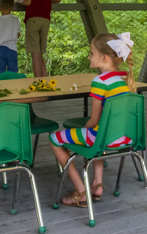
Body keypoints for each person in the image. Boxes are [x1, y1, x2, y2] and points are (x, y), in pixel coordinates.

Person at [49, 32, 136, 207]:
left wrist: (84, 128)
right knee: (99, 135)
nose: (88, 56)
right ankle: (97, 185)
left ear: (104, 58)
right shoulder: (124, 79)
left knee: (55, 139)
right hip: (124, 137)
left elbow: (94, 121)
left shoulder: (100, 81)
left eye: (91, 53)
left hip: (102, 138)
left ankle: (81, 191)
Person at [16, 0, 61, 77]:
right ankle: (44, 80)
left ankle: (37, 81)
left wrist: (17, 1)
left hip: (33, 18)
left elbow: (27, 1)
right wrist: (45, 1)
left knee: (34, 52)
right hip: (46, 19)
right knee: (41, 52)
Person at [0, 0, 22, 74]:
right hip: (12, 49)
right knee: (13, 72)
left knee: (0, 72)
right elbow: (18, 34)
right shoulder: (15, 20)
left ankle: (1, 85)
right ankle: (12, 86)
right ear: (12, 8)